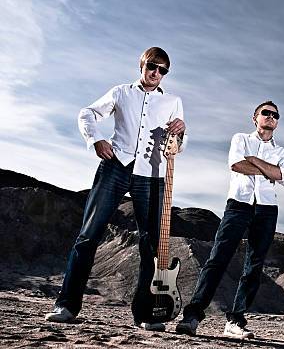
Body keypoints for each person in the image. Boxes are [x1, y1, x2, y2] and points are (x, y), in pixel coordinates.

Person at [45, 47, 187, 331]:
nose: (156, 73)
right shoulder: (121, 92)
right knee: (88, 235)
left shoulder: (173, 101)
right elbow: (87, 113)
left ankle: (146, 313)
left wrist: (180, 135)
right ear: (141, 65)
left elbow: (177, 144)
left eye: (162, 70)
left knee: (151, 246)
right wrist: (95, 139)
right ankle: (67, 305)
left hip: (152, 174)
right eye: (152, 66)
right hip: (116, 166)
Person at [175, 101, 284, 338]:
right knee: (218, 259)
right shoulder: (240, 139)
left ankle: (235, 321)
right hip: (239, 204)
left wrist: (255, 161)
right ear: (254, 118)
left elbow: (279, 174)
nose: (270, 117)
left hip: (267, 209)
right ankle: (193, 315)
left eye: (274, 115)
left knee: (255, 265)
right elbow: (237, 164)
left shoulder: (282, 152)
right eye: (265, 113)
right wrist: (267, 169)